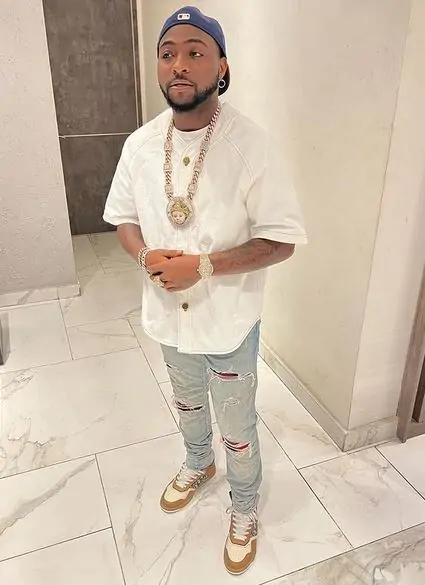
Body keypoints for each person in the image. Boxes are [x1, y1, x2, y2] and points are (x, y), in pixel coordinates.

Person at [103, 5, 307, 576]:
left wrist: (206, 266)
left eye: (195, 52)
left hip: (228, 322)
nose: (179, 65)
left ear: (222, 67)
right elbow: (123, 219)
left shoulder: (253, 147)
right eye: (168, 54)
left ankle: (245, 505)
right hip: (168, 317)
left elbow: (283, 240)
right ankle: (198, 463)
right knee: (187, 403)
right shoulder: (140, 145)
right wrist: (144, 255)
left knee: (237, 425)